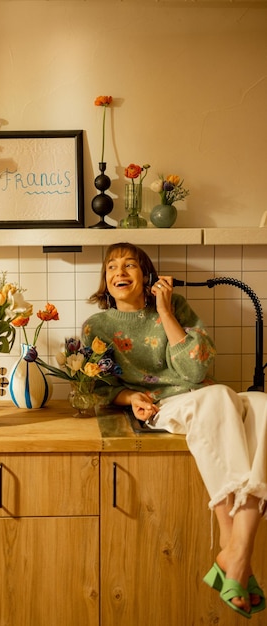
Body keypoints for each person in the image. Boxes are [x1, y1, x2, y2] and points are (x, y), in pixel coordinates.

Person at [82, 241, 267, 619]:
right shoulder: (97, 326)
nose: (120, 272)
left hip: (203, 396)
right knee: (219, 398)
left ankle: (235, 547)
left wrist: (165, 309)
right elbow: (96, 388)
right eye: (112, 266)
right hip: (162, 405)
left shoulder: (177, 308)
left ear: (147, 276)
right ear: (105, 279)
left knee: (263, 405)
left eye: (130, 265)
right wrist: (131, 397)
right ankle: (233, 543)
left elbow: (195, 371)